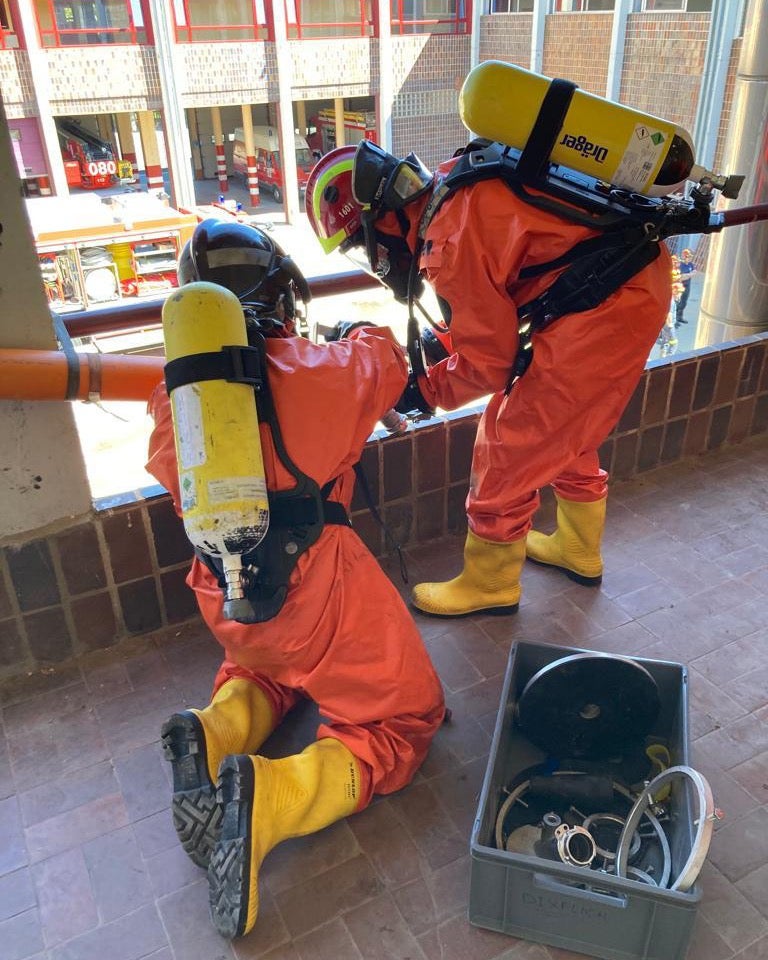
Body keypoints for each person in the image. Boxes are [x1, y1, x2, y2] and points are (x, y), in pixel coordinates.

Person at [146, 218, 445, 939]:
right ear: (281, 299)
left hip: (228, 599)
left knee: (269, 671)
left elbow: (172, 476)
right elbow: (387, 361)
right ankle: (277, 796)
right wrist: (346, 329)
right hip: (319, 597)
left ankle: (216, 733)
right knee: (403, 723)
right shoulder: (321, 372)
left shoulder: (172, 401)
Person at [306, 141, 671, 617]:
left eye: (363, 245)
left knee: (509, 440)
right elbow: (490, 315)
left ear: (386, 221)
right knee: (563, 428)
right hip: (622, 288)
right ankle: (577, 548)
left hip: (607, 308)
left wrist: (423, 390)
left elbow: (489, 364)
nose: (374, 262)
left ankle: (490, 583)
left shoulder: (447, 243)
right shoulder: (451, 192)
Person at [674, 247, 698, 325]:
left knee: (684, 302)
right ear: (684, 256)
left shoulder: (690, 264)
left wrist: (688, 275)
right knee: (677, 302)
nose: (689, 258)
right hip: (679, 286)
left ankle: (679, 317)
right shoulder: (680, 264)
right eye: (688, 256)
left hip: (687, 285)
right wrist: (689, 275)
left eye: (690, 257)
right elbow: (682, 277)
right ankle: (675, 319)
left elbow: (694, 272)